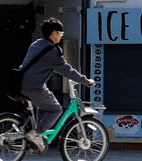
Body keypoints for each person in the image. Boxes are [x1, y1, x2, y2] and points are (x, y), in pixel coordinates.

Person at [20, 17, 95, 150]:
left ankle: (38, 136)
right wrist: (85, 81)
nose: (61, 37)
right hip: (34, 86)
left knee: (44, 107)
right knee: (56, 109)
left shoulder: (37, 43)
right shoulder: (52, 51)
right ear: (54, 33)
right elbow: (67, 70)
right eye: (60, 34)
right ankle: (36, 133)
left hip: (21, 83)